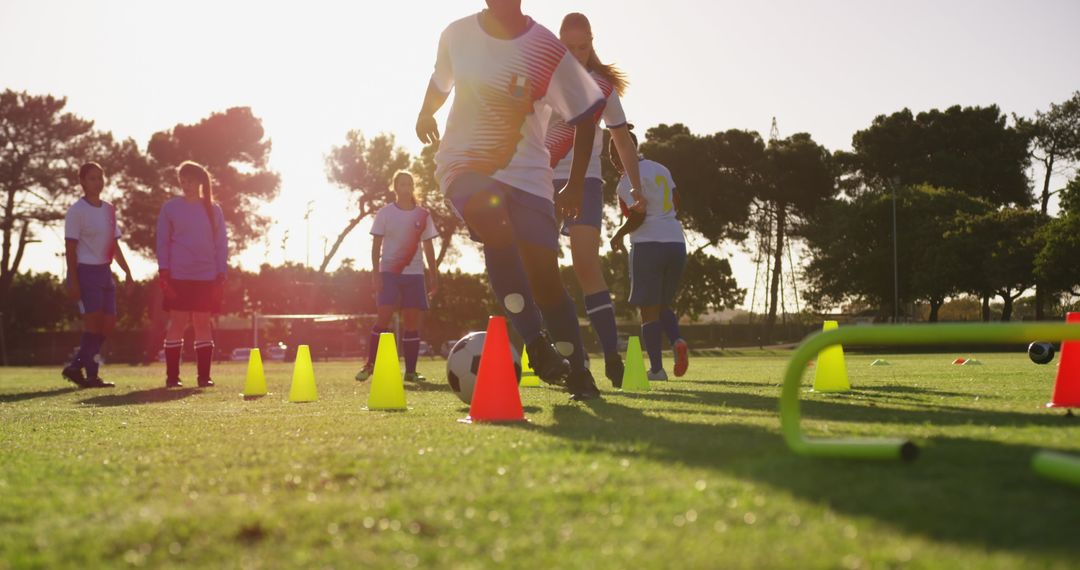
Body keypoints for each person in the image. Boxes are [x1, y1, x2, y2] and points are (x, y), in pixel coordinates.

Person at [416, 0, 605, 400]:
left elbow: (586, 115)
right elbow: (440, 82)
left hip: (530, 177)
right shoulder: (456, 34)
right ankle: (535, 343)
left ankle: (578, 374)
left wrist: (574, 183)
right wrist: (424, 113)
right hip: (464, 164)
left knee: (547, 282)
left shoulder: (547, 49)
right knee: (495, 226)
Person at [545, 12, 646, 388]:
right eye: (568, 48)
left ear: (592, 42)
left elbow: (621, 141)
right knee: (541, 271)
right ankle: (570, 358)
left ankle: (611, 354)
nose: (576, 54)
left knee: (587, 267)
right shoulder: (547, 79)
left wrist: (637, 188)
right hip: (541, 179)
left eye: (582, 47)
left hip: (585, 180)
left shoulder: (603, 87)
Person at [609, 130, 690, 380]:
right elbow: (677, 200)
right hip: (676, 242)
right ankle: (677, 339)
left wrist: (618, 235)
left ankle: (656, 370)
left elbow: (638, 215)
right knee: (663, 304)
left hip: (647, 244)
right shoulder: (661, 168)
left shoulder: (624, 183)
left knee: (648, 310)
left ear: (615, 156)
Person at [355, 171, 439, 383]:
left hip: (414, 275)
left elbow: (429, 247)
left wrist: (434, 275)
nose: (406, 187)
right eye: (402, 184)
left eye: (409, 184)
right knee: (383, 319)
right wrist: (376, 275)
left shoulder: (423, 215)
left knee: (411, 324)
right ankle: (369, 365)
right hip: (389, 274)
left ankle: (410, 372)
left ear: (413, 187)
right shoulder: (384, 213)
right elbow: (376, 247)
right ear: (395, 187)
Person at [156, 161, 228, 388]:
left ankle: (204, 377)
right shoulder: (170, 208)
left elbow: (221, 244)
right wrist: (164, 271)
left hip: (206, 276)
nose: (186, 185)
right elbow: (162, 241)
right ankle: (172, 376)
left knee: (202, 323)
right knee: (177, 322)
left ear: (199, 182)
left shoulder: (214, 209)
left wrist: (221, 272)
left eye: (190, 181)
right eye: (182, 181)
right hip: (178, 274)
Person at [61, 162, 134, 388]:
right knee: (93, 326)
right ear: (82, 181)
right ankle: (91, 376)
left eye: (100, 177)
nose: (97, 182)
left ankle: (75, 366)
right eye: (92, 178)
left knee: (108, 324)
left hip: (105, 271)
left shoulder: (109, 209)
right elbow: (70, 249)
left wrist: (128, 272)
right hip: (85, 271)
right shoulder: (76, 212)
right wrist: (73, 280)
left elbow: (115, 244)